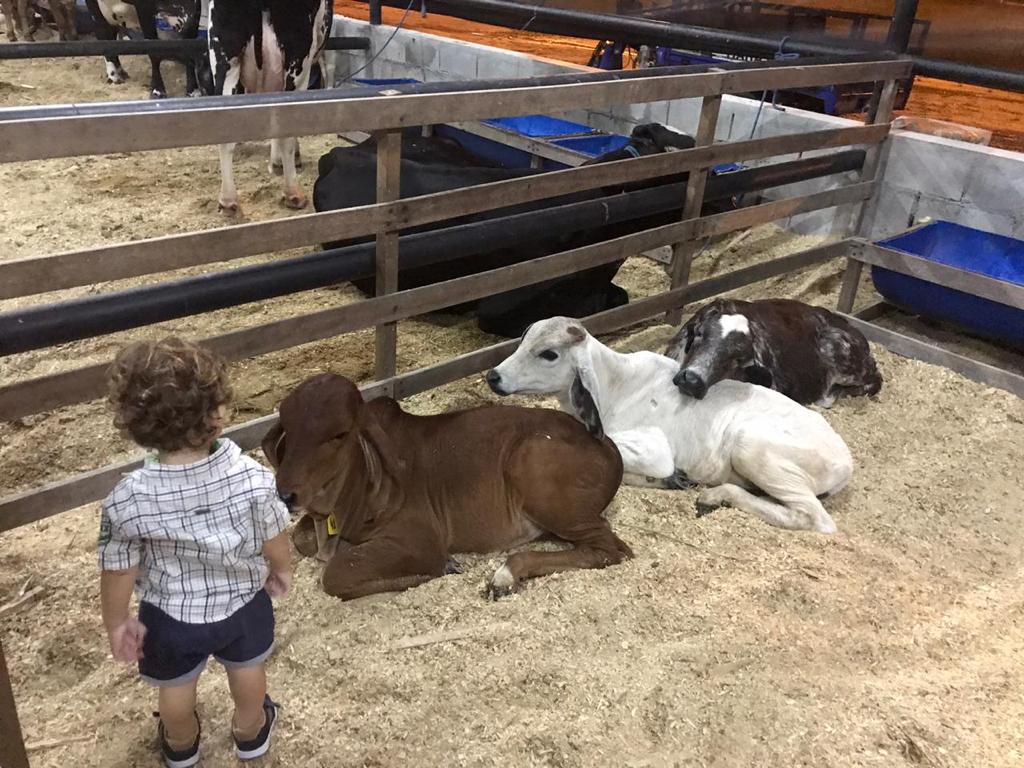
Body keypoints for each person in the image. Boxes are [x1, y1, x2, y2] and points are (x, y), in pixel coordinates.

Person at [98, 337, 292, 768]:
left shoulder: (128, 498)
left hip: (169, 616)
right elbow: (274, 534)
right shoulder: (252, 478)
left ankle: (181, 742)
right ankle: (250, 732)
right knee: (247, 671)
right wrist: (281, 569)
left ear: (136, 426)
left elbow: (117, 568)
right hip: (244, 604)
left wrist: (117, 622)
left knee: (176, 687)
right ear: (218, 416)